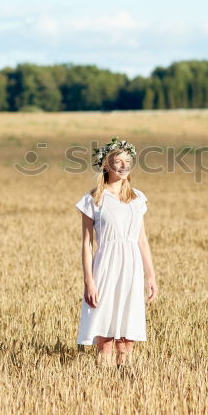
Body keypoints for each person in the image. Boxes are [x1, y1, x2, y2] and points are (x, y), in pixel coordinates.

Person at [75, 137, 158, 367]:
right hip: (106, 268)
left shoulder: (137, 199)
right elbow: (86, 244)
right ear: (105, 165)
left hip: (132, 268)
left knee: (127, 337)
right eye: (118, 161)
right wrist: (89, 282)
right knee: (107, 337)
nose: (123, 166)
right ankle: (103, 382)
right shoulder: (94, 199)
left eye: (127, 161)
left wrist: (150, 276)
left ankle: (126, 384)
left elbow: (141, 238)